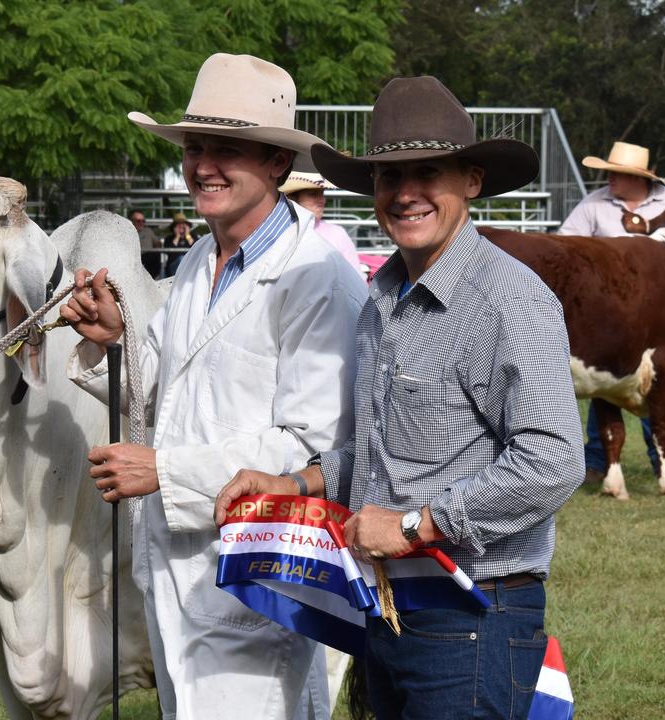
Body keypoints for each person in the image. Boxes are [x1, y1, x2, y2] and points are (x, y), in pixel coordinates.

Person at [217, 76, 584, 718]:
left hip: (472, 613)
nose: (406, 193)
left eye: (428, 173)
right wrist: (292, 482)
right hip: (388, 610)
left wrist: (416, 526)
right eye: (390, 177)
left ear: (470, 180)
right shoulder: (383, 298)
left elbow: (553, 461)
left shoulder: (510, 300)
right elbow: (387, 447)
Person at [60, 53, 366, 720]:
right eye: (196, 147)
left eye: (228, 149)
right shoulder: (202, 257)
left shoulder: (317, 276)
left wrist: (165, 472)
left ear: (279, 165)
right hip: (176, 565)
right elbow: (165, 387)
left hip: (256, 572)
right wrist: (118, 338)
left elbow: (311, 446)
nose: (203, 165)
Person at [558, 141, 665, 481]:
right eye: (609, 173)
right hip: (610, 313)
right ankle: (597, 459)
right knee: (602, 379)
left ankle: (664, 455)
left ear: (638, 178)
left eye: (616, 173)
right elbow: (565, 242)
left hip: (663, 310)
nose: (610, 179)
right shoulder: (595, 203)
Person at [280, 171, 361, 270]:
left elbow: (354, 276)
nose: (322, 200)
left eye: (322, 193)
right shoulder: (278, 232)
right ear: (292, 199)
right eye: (313, 194)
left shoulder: (337, 234)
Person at [160, 211, 196, 278]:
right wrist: (177, 236)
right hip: (173, 267)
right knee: (181, 259)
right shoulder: (169, 238)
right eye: (178, 224)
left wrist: (187, 235)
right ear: (174, 227)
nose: (181, 226)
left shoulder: (193, 237)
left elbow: (196, 247)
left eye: (183, 224)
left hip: (190, 265)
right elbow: (168, 251)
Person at [131, 209, 163, 278]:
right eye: (138, 221)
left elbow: (157, 243)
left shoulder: (148, 231)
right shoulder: (127, 232)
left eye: (143, 221)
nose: (141, 223)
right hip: (133, 259)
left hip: (148, 258)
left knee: (155, 255)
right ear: (132, 222)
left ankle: (152, 279)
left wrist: (157, 245)